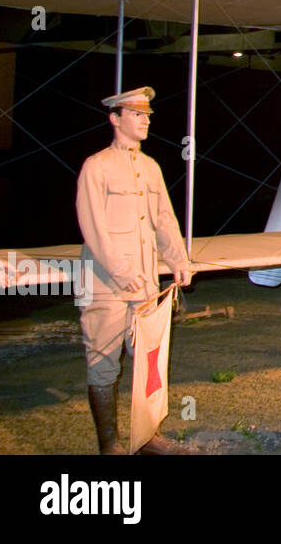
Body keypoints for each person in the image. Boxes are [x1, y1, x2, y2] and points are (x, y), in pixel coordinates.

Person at [76, 87, 191, 455]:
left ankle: (146, 437)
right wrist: (119, 270)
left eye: (147, 114)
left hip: (143, 284)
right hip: (105, 285)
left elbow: (164, 220)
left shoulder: (150, 167)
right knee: (102, 363)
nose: (146, 119)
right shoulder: (96, 167)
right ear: (115, 118)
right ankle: (109, 444)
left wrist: (178, 261)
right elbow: (92, 226)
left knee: (147, 362)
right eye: (137, 113)